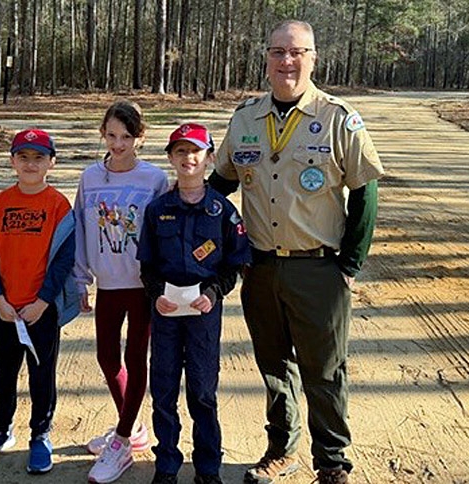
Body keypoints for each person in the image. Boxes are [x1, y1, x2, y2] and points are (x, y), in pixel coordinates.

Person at [209, 20, 385, 484]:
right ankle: (281, 450)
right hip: (261, 269)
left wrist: (348, 265)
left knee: (324, 372)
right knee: (274, 368)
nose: (287, 61)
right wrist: (181, 201)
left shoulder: (337, 117)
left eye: (297, 52)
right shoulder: (246, 118)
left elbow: (366, 193)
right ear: (266, 58)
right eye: (278, 52)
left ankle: (332, 462)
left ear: (313, 58)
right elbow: (222, 183)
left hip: (317, 268)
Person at [138, 123, 251, 484]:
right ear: (171, 158)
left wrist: (213, 294)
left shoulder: (223, 211)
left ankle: (207, 468)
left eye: (197, 151)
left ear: (210, 158)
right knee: (164, 391)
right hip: (167, 316)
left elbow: (235, 264)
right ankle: (167, 466)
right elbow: (147, 266)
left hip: (203, 314)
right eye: (181, 151)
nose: (189, 158)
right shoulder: (157, 211)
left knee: (202, 392)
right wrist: (156, 296)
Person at [0, 128, 79, 475]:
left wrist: (44, 301)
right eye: (24, 157)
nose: (31, 164)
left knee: (41, 373)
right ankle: (1, 429)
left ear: (52, 162)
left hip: (39, 310)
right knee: (3, 371)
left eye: (39, 157)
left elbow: (64, 259)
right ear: (12, 161)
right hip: (6, 308)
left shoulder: (59, 205)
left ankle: (41, 433)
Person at [73, 100, 170, 483]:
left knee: (136, 357)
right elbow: (81, 228)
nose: (118, 144)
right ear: (103, 134)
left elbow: (164, 232)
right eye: (111, 135)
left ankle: (123, 439)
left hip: (142, 286)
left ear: (139, 137)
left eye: (126, 137)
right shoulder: (90, 177)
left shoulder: (154, 179)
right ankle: (130, 429)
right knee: (107, 358)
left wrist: (162, 283)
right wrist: (81, 279)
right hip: (108, 283)